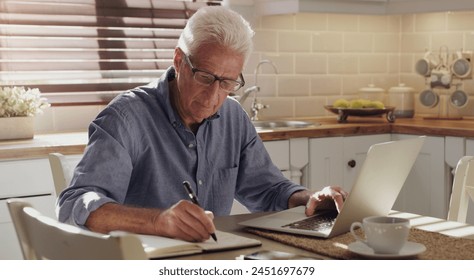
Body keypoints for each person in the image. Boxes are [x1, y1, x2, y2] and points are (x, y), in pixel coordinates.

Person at [57, 6, 347, 242]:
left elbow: (268, 191)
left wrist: (310, 199)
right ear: (179, 60)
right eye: (206, 77)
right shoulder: (125, 119)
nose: (213, 97)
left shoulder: (233, 117)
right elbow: (75, 203)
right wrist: (158, 221)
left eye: (227, 83)